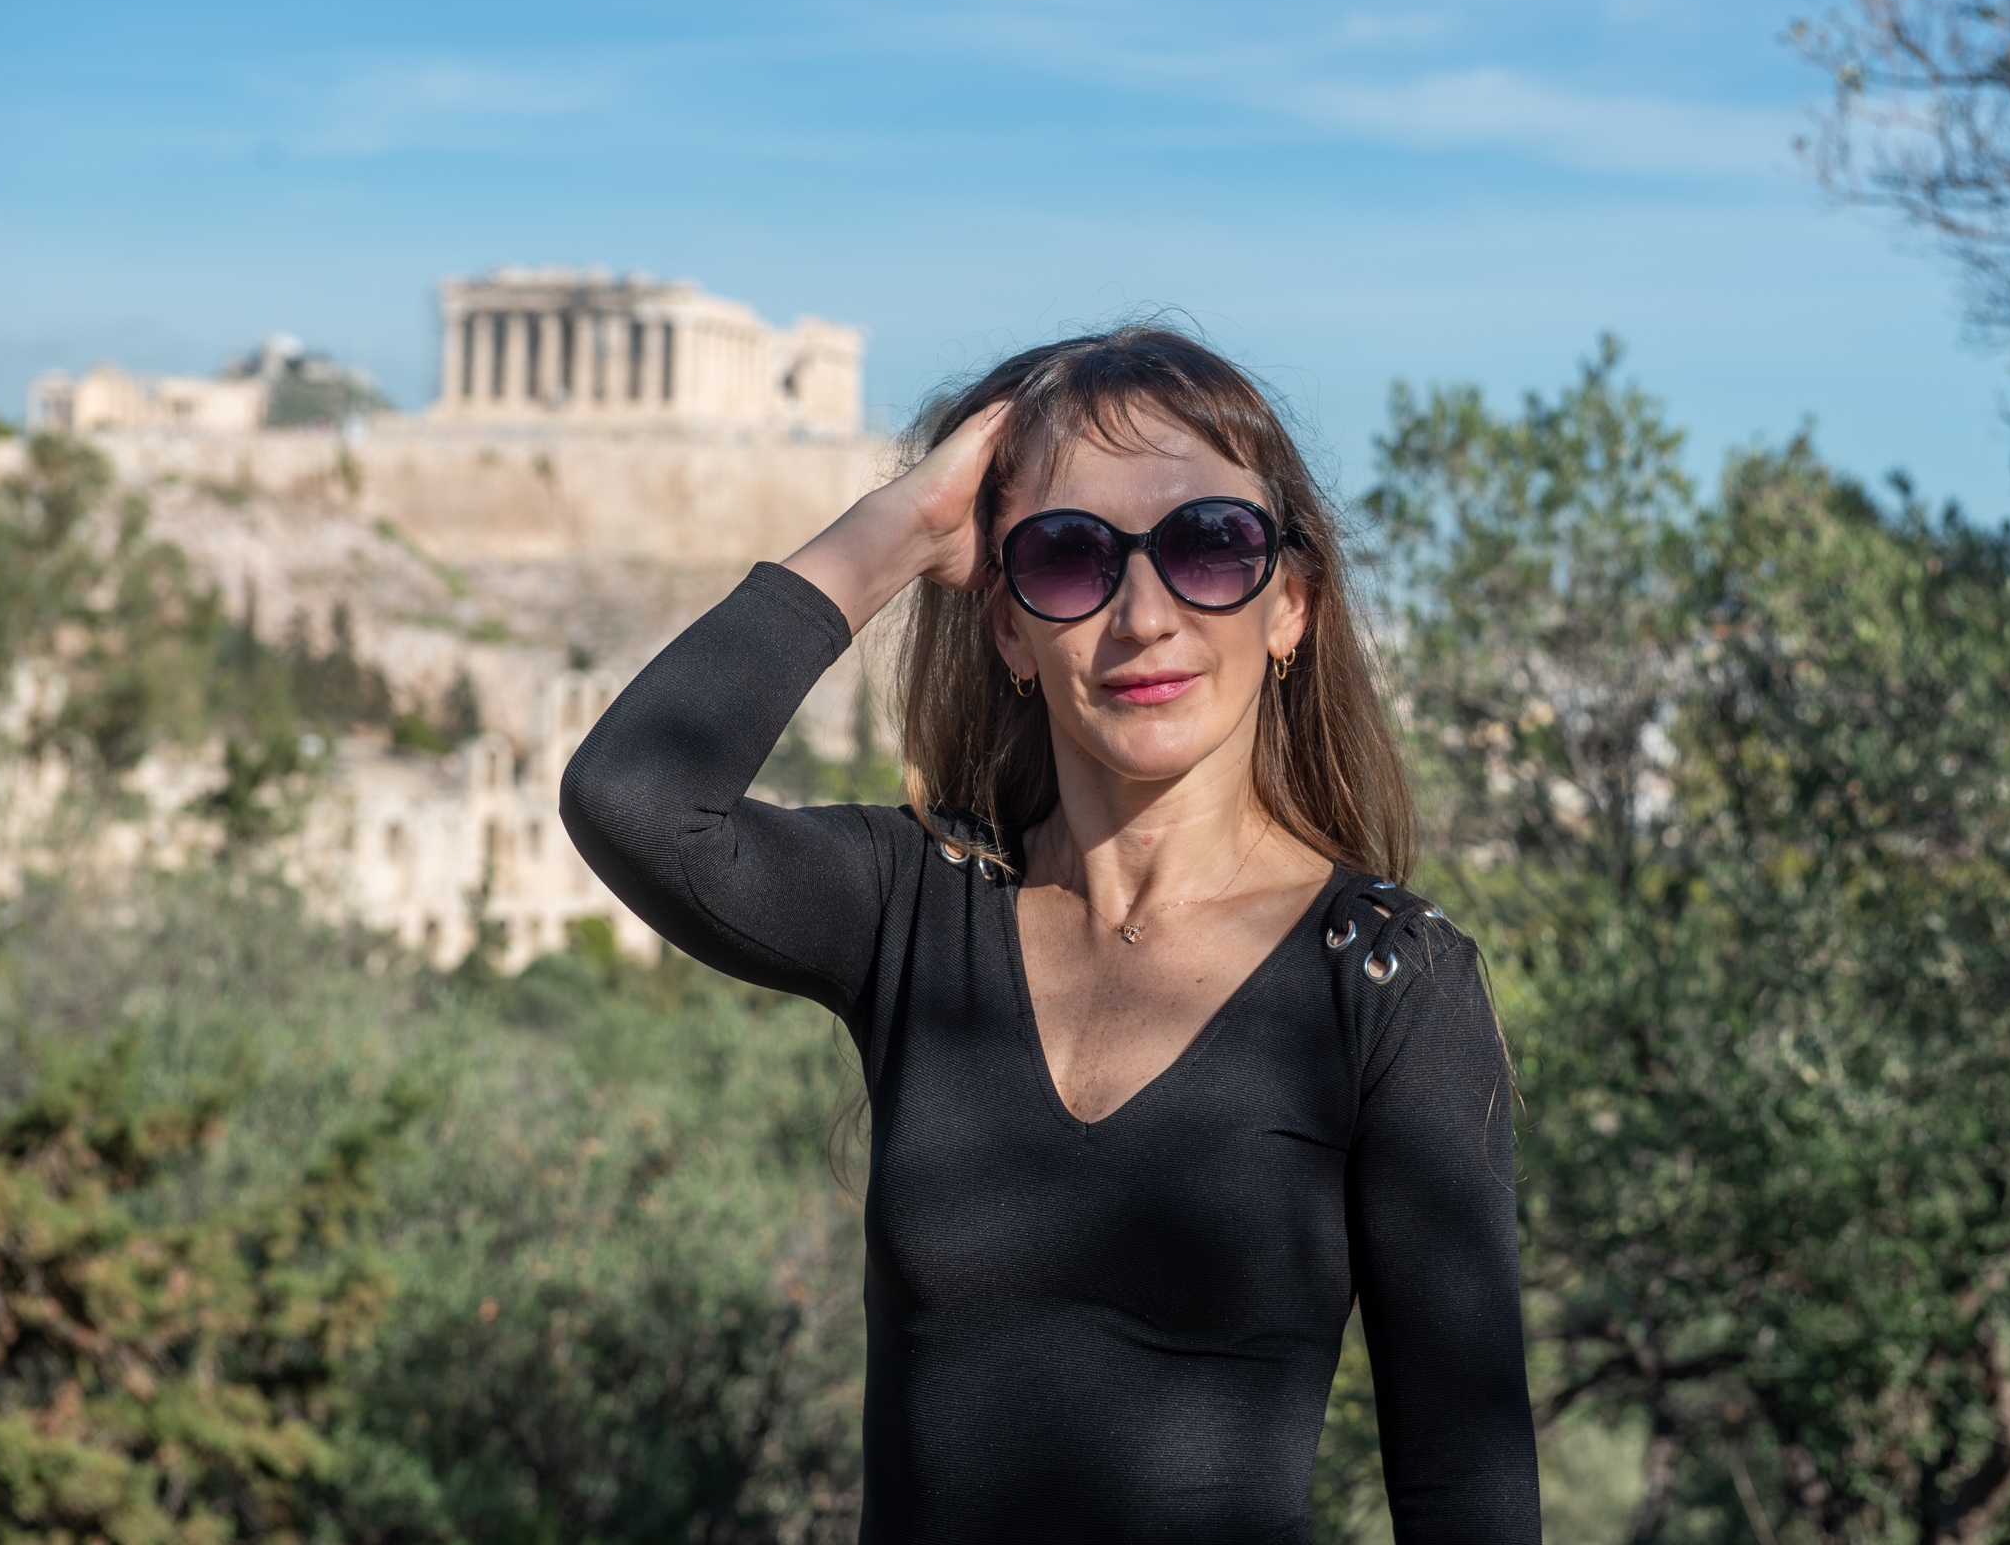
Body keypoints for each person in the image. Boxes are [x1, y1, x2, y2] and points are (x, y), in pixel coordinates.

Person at [560, 327, 1538, 1544]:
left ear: (1290, 603)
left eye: (1208, 545)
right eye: (1068, 560)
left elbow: (1465, 1485)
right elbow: (635, 800)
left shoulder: (1388, 983)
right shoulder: (918, 905)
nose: (1142, 616)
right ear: (1010, 632)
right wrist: (901, 530)